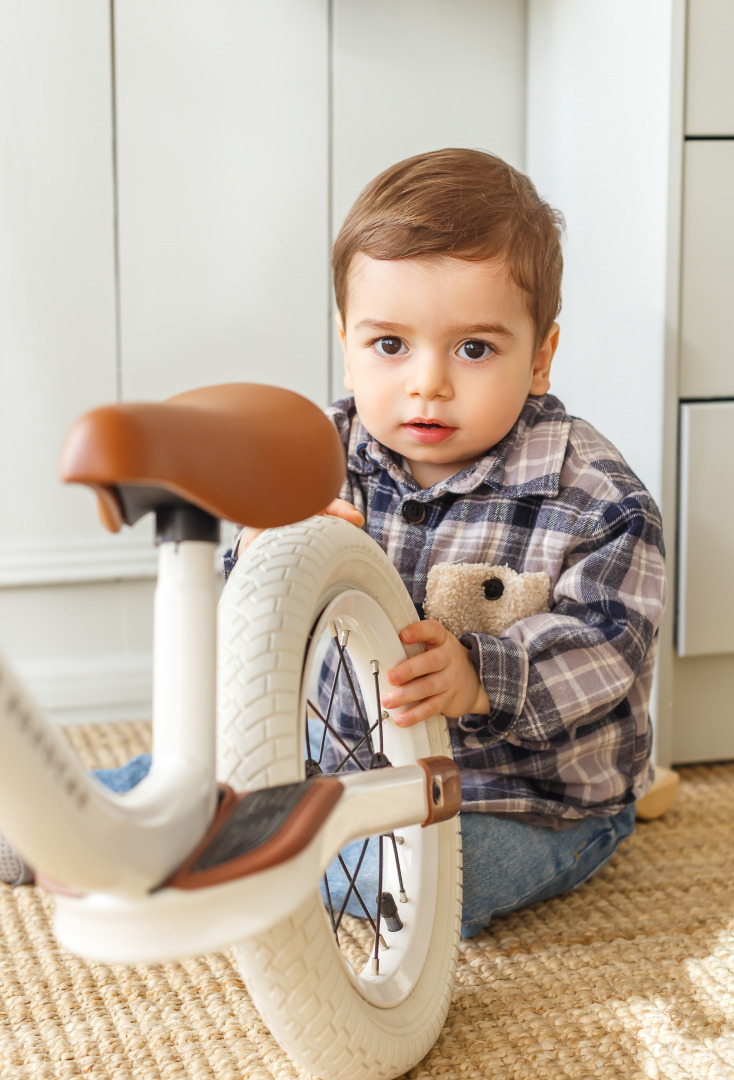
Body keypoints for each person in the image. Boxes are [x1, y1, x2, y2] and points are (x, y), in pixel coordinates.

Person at [2, 149, 666, 944]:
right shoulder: (318, 455)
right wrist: (259, 549)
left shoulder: (594, 496)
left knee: (434, 882)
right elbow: (242, 612)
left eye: (475, 349)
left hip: (518, 798)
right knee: (175, 781)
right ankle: (60, 830)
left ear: (541, 358)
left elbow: (610, 648)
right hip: (327, 758)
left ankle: (246, 855)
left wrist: (482, 675)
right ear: (347, 340)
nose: (428, 382)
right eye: (391, 346)